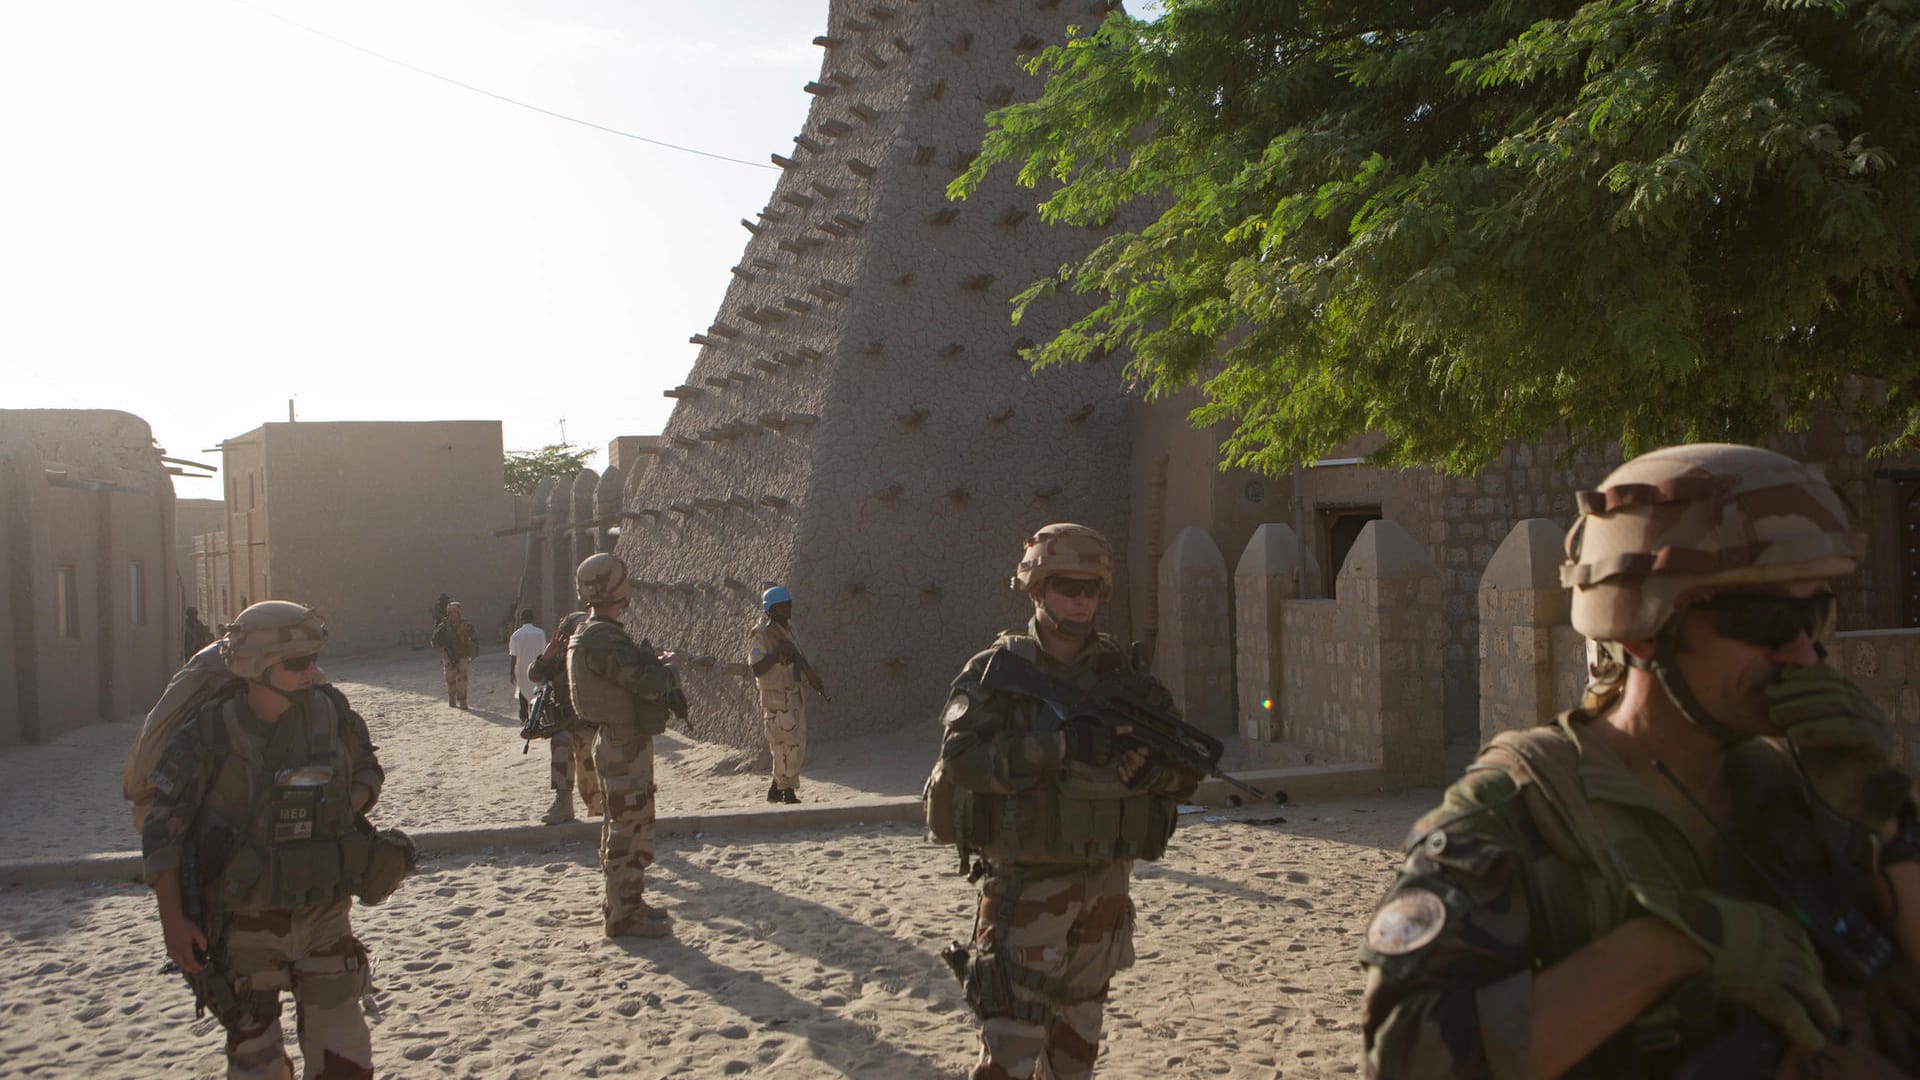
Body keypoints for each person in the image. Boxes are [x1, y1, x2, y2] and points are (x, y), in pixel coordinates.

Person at [1361, 443, 1920, 1077]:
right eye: (1766, 619)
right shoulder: (1523, 813)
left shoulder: (1809, 793)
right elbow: (1406, 1058)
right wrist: (1676, 947)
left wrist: (1890, 820)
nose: (1802, 653)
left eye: (1815, 615)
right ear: (1642, 628)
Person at [928, 522, 1202, 1080]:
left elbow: (1185, 775)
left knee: (1077, 1055)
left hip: (1104, 889)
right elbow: (960, 760)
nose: (1079, 600)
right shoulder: (999, 672)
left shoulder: (1125, 679)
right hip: (1025, 888)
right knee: (1008, 1051)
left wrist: (1150, 771)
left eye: (1091, 589)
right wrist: (1056, 746)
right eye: (1065, 587)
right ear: (1035, 589)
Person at [140, 600, 400, 1080]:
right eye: (298, 663)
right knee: (255, 1059)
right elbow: (163, 832)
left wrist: (344, 803)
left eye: (315, 659)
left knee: (346, 1058)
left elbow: (368, 768)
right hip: (242, 928)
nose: (313, 671)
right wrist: (173, 920)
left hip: (323, 916)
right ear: (256, 667)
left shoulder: (333, 712)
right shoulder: (210, 735)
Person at [568, 553, 683, 938]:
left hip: (621, 741)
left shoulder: (597, 632)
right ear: (616, 587)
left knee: (626, 822)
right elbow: (644, 684)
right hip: (622, 743)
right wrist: (666, 671)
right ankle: (623, 915)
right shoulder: (602, 638)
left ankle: (625, 901)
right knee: (627, 827)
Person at [526, 607, 604, 826]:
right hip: (569, 727)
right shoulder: (558, 661)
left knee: (592, 779)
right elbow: (534, 675)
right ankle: (563, 802)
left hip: (594, 727)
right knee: (561, 742)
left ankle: (598, 809)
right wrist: (546, 657)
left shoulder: (595, 657)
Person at [748, 585, 825, 804]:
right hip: (776, 697)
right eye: (781, 606)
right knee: (787, 745)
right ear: (770, 609)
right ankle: (787, 791)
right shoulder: (761, 634)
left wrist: (812, 679)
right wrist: (777, 654)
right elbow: (756, 668)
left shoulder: (787, 629)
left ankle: (776, 786)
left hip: (793, 694)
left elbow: (797, 658)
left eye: (788, 605)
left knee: (792, 743)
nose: (787, 609)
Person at [430, 600, 480, 709]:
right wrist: (443, 649)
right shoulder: (443, 626)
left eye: (456, 613)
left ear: (459, 613)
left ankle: (463, 701)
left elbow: (474, 639)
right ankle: (452, 698)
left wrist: (474, 651)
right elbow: (434, 641)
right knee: (450, 679)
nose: (454, 615)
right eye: (451, 613)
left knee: (462, 679)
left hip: (462, 655)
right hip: (449, 657)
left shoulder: (466, 625)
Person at [507, 608, 546, 722]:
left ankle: (523, 716)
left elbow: (513, 655)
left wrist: (511, 672)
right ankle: (536, 715)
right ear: (533, 619)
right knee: (537, 690)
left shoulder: (516, 635)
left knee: (522, 691)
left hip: (521, 667)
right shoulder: (540, 633)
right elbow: (543, 652)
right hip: (537, 666)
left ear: (521, 620)